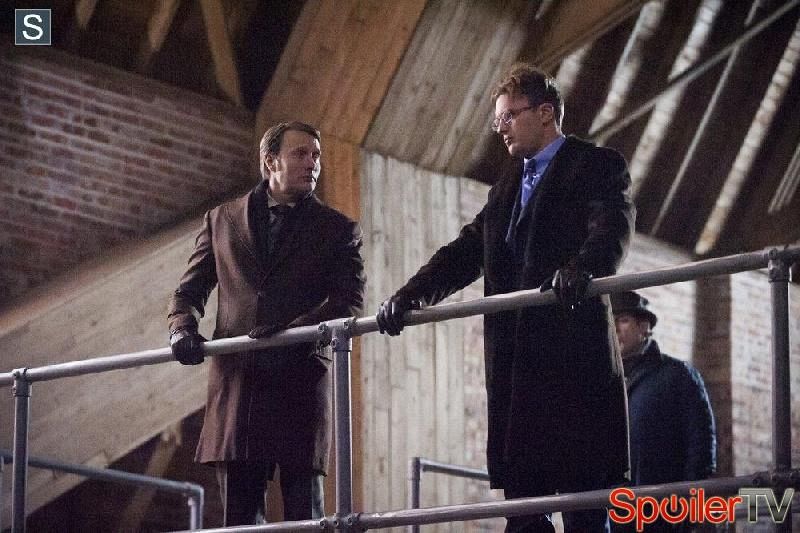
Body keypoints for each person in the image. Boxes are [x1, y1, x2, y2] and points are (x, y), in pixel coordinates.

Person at [376, 63, 636, 533]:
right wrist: (412, 295)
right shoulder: (505, 188)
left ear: (545, 113)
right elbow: (467, 251)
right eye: (498, 120)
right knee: (523, 517)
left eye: (509, 116)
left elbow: (611, 225)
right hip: (518, 375)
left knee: (585, 513)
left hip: (573, 361)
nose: (501, 129)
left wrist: (583, 268)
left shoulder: (596, 164)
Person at [167, 121, 366, 526]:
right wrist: (181, 328)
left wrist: (294, 331)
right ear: (270, 161)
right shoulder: (221, 220)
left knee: (306, 519)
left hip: (300, 385)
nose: (312, 163)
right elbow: (189, 291)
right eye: (301, 154)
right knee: (239, 522)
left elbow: (349, 302)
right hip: (238, 389)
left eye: (316, 155)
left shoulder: (338, 230)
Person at [610, 291, 716, 532]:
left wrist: (688, 508)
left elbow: (700, 447)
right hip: (614, 512)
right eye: (610, 320)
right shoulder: (605, 381)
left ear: (644, 327)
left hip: (662, 510)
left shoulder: (678, 375)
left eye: (623, 320)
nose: (615, 328)